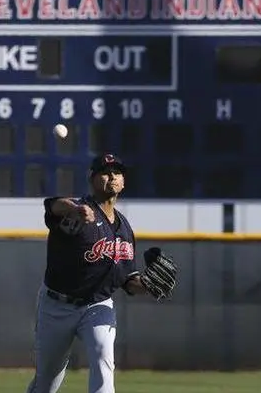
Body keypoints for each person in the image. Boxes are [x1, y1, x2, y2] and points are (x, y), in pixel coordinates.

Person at [25, 153, 177, 393]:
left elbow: (128, 281)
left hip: (98, 306)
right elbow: (52, 207)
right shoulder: (78, 212)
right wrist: (73, 208)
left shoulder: (124, 228)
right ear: (92, 179)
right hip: (57, 306)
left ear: (123, 182)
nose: (112, 177)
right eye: (105, 172)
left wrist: (147, 284)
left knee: (103, 364)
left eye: (117, 172)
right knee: (46, 383)